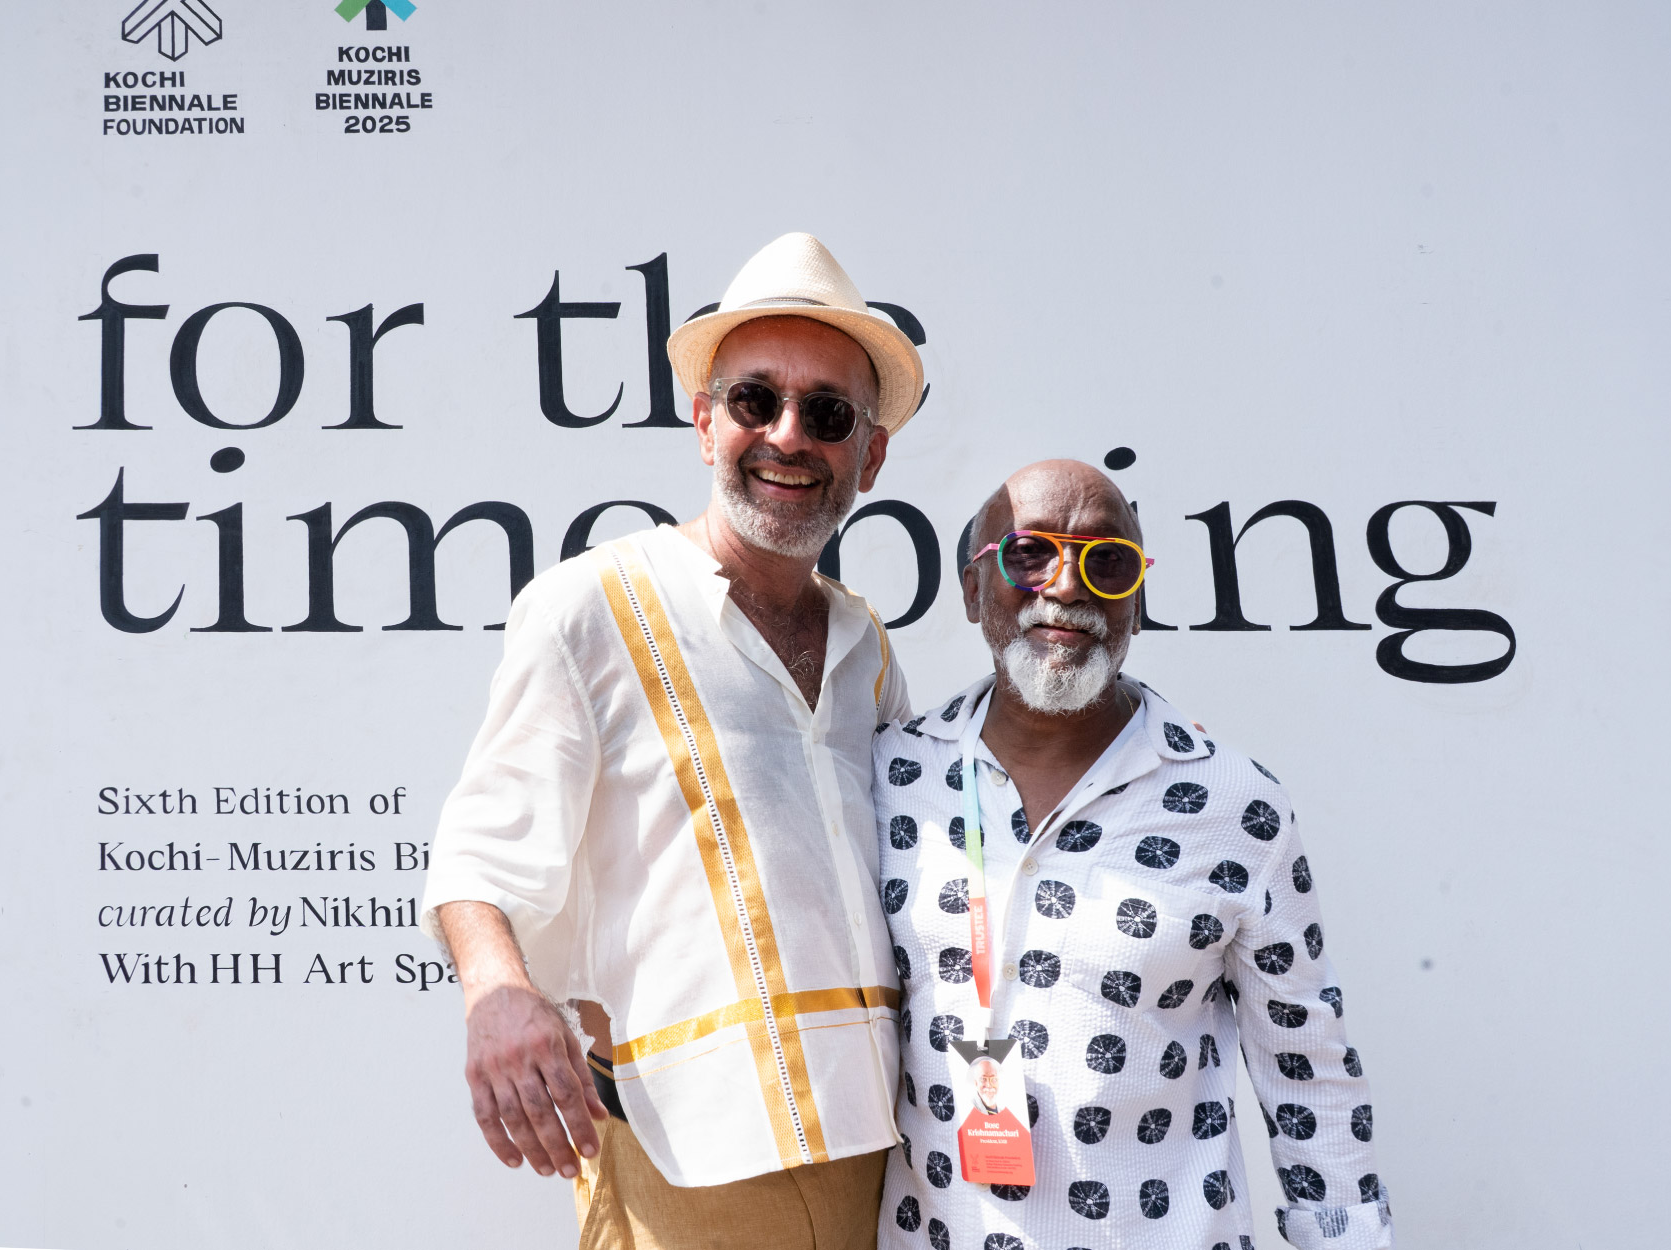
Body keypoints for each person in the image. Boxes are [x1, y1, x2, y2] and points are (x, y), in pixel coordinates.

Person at [420, 232, 925, 1250]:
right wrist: (497, 993)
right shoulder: (588, 605)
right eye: (753, 399)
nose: (787, 433)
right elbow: (475, 853)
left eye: (825, 412)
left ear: (867, 454)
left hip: (884, 1157)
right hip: (682, 1160)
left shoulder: (865, 642)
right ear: (704, 423)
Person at [876, 460, 1394, 1249]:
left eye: (1106, 561)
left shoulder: (1236, 806)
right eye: (1030, 553)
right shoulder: (891, 776)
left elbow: (1308, 1067)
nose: (1067, 585)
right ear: (973, 588)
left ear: (1138, 604)